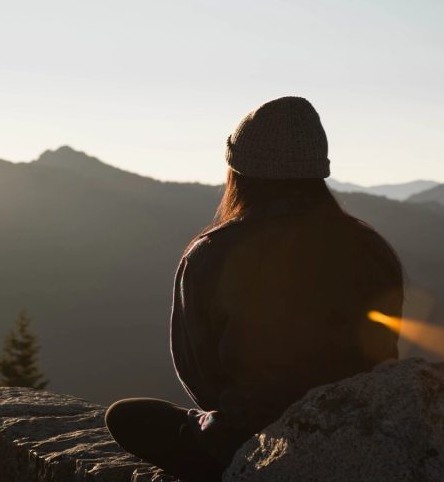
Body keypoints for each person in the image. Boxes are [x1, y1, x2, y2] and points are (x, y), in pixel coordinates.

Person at [104, 96, 404, 481]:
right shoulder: (369, 248)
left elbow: (198, 372)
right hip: (359, 429)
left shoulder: (212, 252)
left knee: (128, 416)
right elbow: (383, 352)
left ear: (239, 172)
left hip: (251, 439)